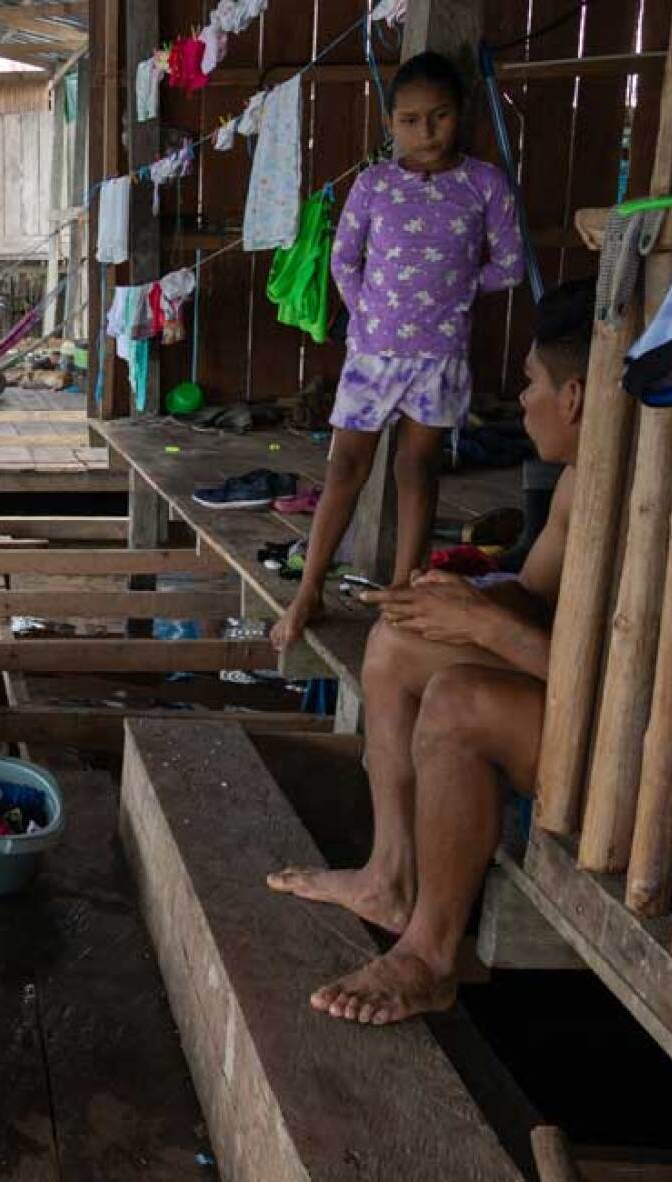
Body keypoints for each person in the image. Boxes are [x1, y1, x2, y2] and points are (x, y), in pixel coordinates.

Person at [265, 277, 594, 1025]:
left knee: (458, 702)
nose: (523, 398)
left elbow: (639, 692)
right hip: (569, 689)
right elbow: (534, 595)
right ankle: (390, 875)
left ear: (573, 397)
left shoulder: (650, 500)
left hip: (639, 753)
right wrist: (449, 605)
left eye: (531, 383)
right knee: (397, 642)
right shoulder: (580, 479)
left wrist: (487, 629)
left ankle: (431, 955)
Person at [271, 51, 524, 653]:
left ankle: (404, 592)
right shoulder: (374, 183)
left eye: (438, 117)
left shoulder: (484, 183)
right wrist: (370, 314)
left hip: (440, 354)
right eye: (409, 120)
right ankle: (308, 589)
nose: (425, 132)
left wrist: (457, 295)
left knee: (418, 468)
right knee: (344, 468)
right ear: (390, 124)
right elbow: (342, 260)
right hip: (373, 353)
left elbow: (509, 266)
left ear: (458, 115)